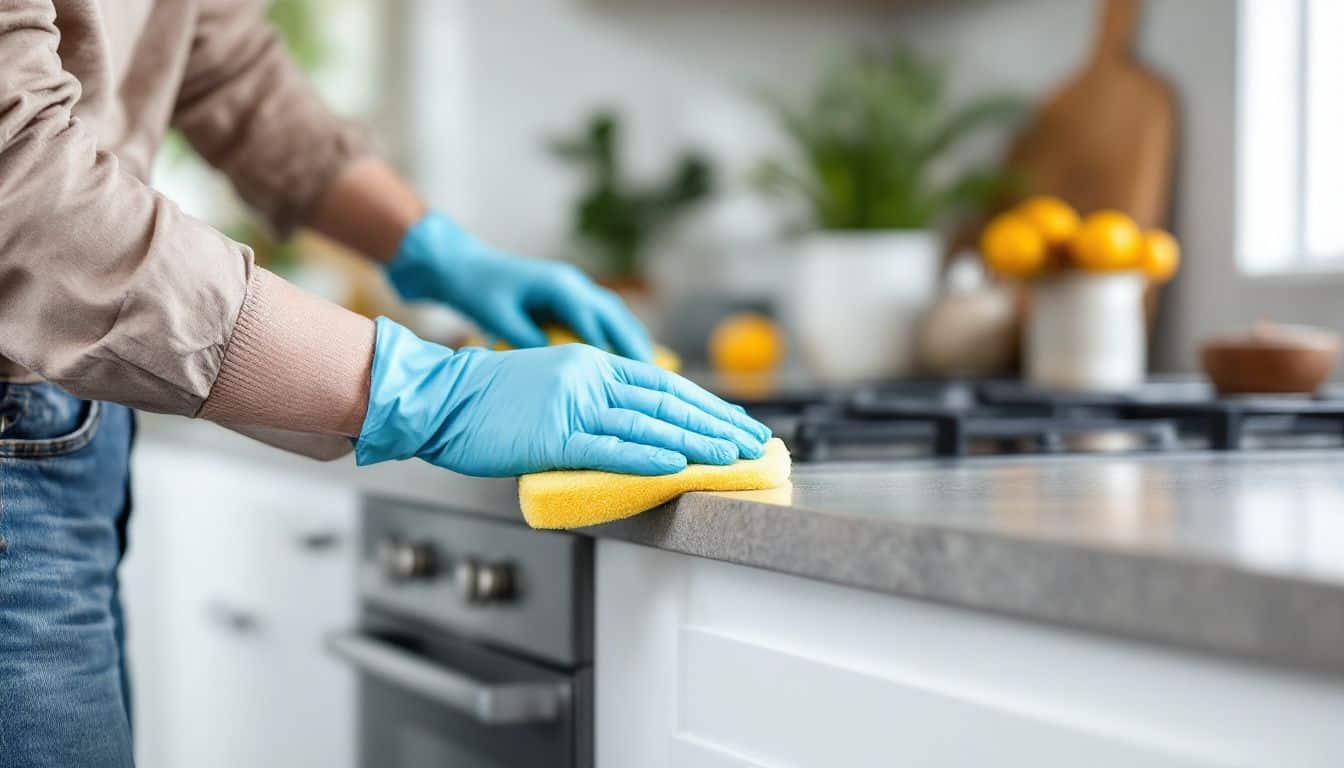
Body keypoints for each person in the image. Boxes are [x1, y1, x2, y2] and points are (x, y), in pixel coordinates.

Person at [0, 2, 771, 765]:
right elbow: (23, 187)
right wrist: (427, 389)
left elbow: (220, 60)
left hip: (61, 431)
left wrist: (437, 251)